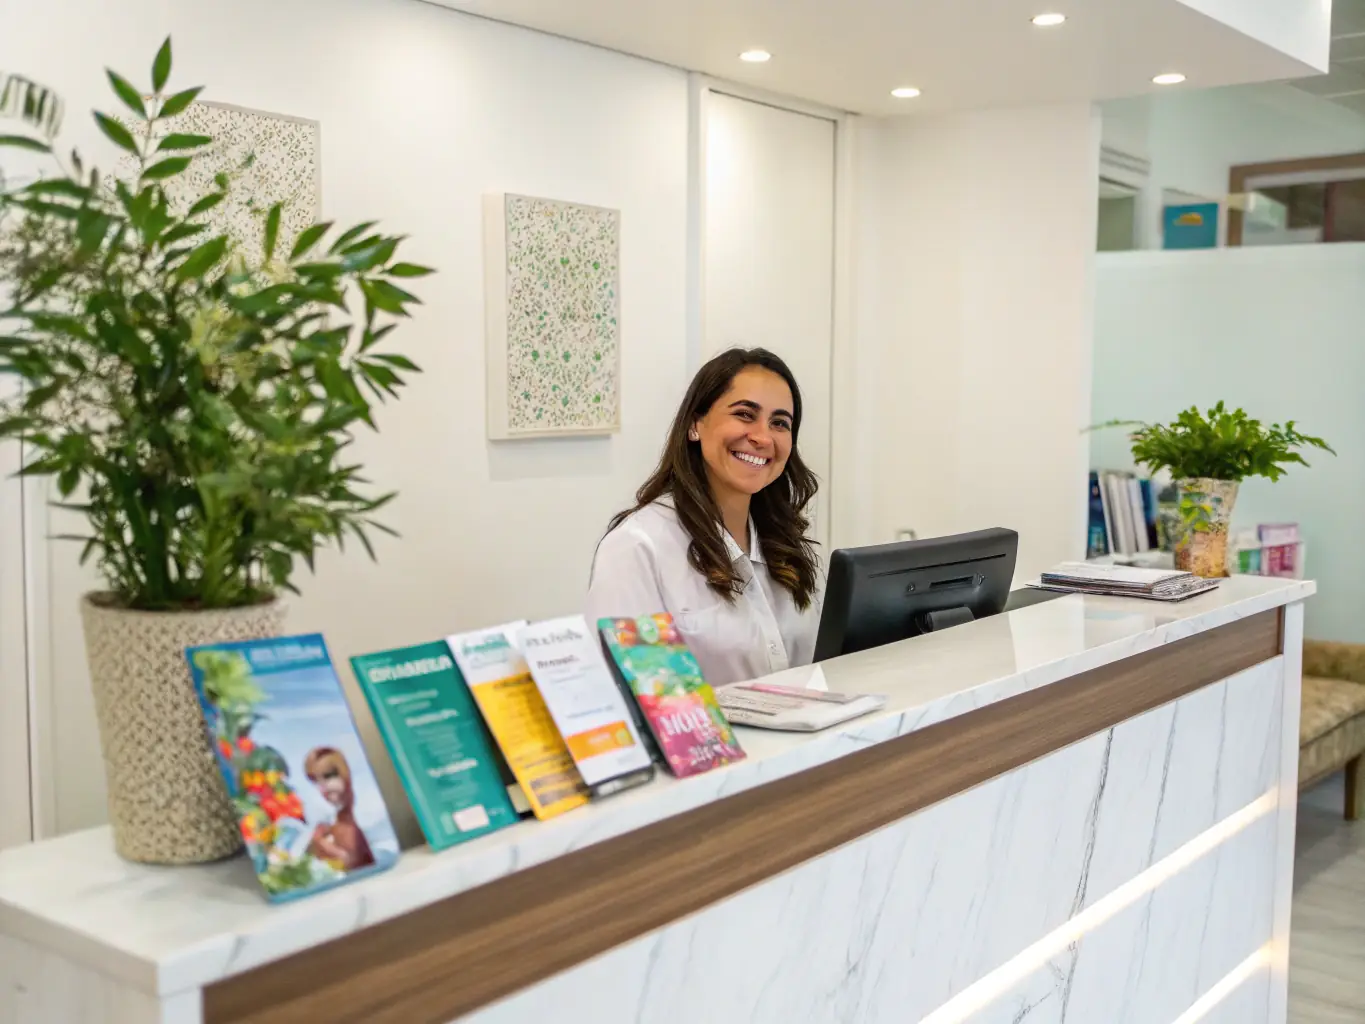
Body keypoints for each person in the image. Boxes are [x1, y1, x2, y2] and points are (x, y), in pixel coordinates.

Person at [587, 347, 820, 687]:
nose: (762, 437)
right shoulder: (637, 547)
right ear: (695, 425)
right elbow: (630, 695)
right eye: (744, 414)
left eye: (779, 423)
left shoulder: (785, 543)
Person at [303, 746, 375, 872]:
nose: (323, 788)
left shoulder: (368, 808)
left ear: (343, 772)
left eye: (329, 776)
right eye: (317, 781)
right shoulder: (337, 819)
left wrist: (333, 851)